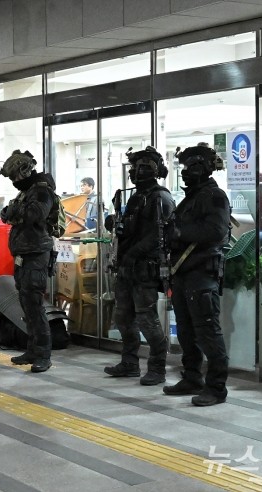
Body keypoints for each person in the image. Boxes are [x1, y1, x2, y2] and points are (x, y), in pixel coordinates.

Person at [164, 142, 230, 406]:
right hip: (183, 273)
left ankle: (216, 388)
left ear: (203, 167)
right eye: (183, 167)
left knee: (208, 332)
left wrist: (180, 233)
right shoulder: (191, 198)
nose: (184, 172)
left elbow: (216, 231)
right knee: (186, 331)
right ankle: (192, 376)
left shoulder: (214, 196)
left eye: (190, 166)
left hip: (201, 273)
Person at [103, 146, 175, 386]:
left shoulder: (160, 197)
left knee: (148, 320)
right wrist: (114, 223)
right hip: (126, 267)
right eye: (134, 168)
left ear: (154, 170)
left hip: (145, 267)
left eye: (142, 167)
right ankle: (130, 363)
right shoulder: (134, 196)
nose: (135, 172)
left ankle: (157, 368)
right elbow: (128, 227)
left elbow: (160, 235)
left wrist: (133, 252)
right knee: (123, 318)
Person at [0, 150, 55, 373]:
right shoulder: (27, 192)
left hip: (36, 256)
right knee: (26, 304)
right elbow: (5, 214)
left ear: (24, 171)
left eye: (14, 177)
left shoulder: (41, 190)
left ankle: (43, 354)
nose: (13, 182)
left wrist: (14, 211)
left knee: (34, 304)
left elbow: (35, 215)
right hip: (23, 255)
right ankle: (32, 350)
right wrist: (13, 211)